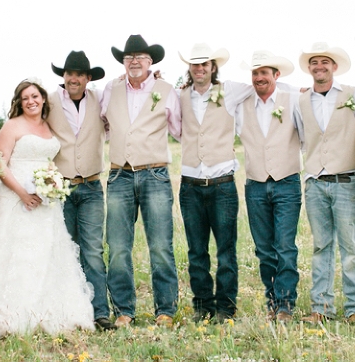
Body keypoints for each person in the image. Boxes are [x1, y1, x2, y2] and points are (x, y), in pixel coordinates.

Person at [0, 80, 94, 339]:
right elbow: (0, 165)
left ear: (42, 99)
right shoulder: (12, 126)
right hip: (17, 198)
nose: (31, 101)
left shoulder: (48, 126)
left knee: (47, 252)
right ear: (19, 101)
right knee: (18, 253)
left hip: (46, 202)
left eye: (35, 96)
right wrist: (23, 194)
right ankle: (13, 314)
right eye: (25, 98)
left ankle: (50, 310)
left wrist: (52, 184)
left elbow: (50, 161)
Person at [101, 34, 181, 328]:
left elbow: (179, 129)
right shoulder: (111, 90)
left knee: (160, 246)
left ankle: (166, 310)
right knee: (119, 247)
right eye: (129, 56)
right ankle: (123, 310)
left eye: (141, 56)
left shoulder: (167, 90)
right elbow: (104, 124)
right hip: (119, 175)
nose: (134, 61)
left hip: (155, 174)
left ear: (151, 61)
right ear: (123, 62)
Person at [297, 43, 355, 325]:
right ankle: (321, 308)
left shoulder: (354, 95)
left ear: (334, 67)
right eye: (314, 62)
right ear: (310, 68)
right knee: (321, 246)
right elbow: (304, 138)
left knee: (351, 247)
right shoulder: (301, 101)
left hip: (347, 180)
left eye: (325, 62)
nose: (319, 67)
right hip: (314, 182)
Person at [47, 51, 115, 331]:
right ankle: (68, 309)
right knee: (65, 250)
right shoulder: (48, 100)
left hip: (90, 186)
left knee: (93, 251)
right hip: (59, 188)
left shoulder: (102, 99)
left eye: (79, 74)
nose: (73, 78)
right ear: (63, 76)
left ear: (88, 78)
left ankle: (100, 312)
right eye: (69, 73)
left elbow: (128, 99)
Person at [237, 50, 303, 322]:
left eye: (265, 72)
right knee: (264, 249)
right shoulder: (241, 103)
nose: (259, 78)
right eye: (255, 73)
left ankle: (286, 304)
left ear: (277, 75)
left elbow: (308, 136)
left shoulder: (294, 99)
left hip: (287, 180)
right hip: (255, 184)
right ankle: (272, 301)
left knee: (285, 246)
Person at [176, 43, 240, 323]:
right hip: (190, 184)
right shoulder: (179, 96)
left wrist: (300, 91)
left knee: (226, 250)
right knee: (196, 250)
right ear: (189, 68)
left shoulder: (231, 90)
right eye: (195, 64)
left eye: (205, 64)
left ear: (213, 67)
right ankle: (202, 305)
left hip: (223, 183)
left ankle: (226, 308)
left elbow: (267, 84)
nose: (200, 68)